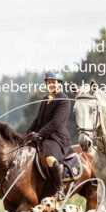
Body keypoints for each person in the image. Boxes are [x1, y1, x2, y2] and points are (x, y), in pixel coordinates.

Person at [25, 71, 71, 200]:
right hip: (43, 137)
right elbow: (38, 120)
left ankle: (59, 188)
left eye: (53, 82)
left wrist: (39, 134)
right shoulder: (45, 99)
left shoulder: (64, 100)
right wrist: (27, 134)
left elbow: (56, 122)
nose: (51, 84)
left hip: (57, 138)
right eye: (48, 82)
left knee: (50, 159)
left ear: (59, 83)